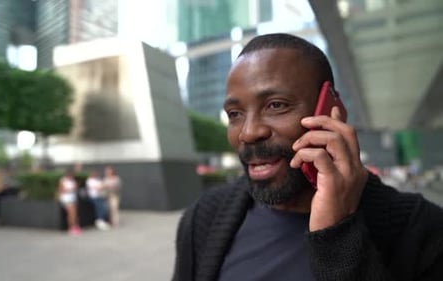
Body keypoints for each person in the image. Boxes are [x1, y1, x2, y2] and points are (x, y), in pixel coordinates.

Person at [172, 33, 443, 281]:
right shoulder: (204, 216)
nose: (249, 132)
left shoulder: (423, 230)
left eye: (276, 105)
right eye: (235, 114)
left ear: (331, 111)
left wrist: (338, 234)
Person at [57, 169, 82, 235]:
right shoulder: (62, 180)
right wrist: (69, 190)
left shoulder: (73, 181)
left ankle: (75, 226)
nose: (72, 176)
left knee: (75, 213)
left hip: (73, 198)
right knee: (70, 213)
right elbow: (60, 190)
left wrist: (75, 187)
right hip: (66, 199)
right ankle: (71, 228)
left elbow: (76, 189)